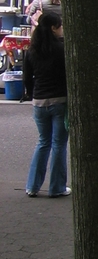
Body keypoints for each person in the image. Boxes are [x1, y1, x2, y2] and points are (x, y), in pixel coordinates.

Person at [23, 13, 70, 198]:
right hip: (59, 100)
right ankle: (57, 187)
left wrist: (32, 92)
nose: (62, 29)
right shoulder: (61, 49)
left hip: (39, 102)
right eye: (60, 26)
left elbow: (27, 78)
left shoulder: (32, 50)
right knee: (59, 144)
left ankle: (32, 186)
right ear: (53, 28)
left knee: (43, 142)